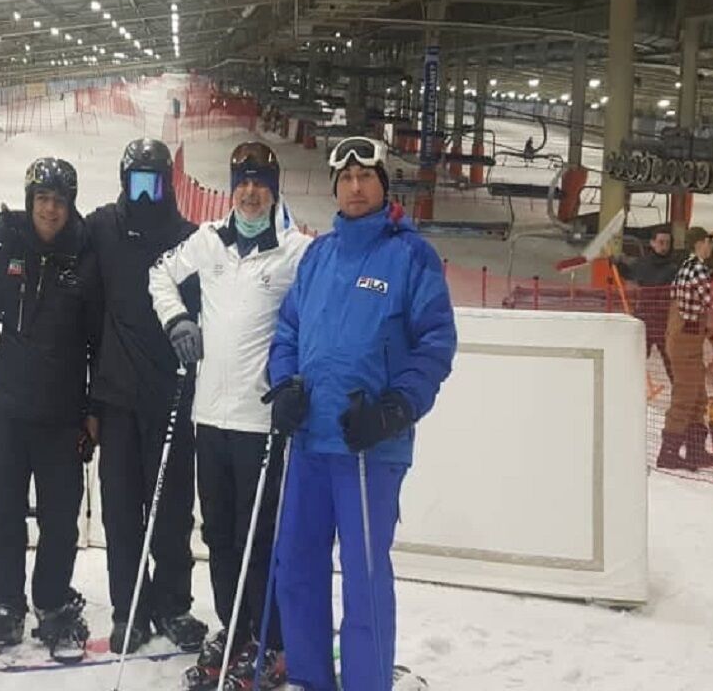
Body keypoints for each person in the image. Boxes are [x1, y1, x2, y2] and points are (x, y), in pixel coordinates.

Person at [265, 137, 456, 691]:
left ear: (382, 185)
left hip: (369, 445)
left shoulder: (409, 254)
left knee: (364, 578)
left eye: (364, 176)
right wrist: (284, 387)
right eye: (344, 178)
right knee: (296, 566)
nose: (354, 186)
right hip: (310, 441)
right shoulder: (319, 255)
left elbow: (435, 343)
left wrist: (396, 408)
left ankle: (367, 683)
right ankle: (309, 677)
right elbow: (289, 332)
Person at [148, 142, 310, 689]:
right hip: (208, 418)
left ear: (274, 188)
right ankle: (235, 629)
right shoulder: (209, 241)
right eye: (242, 180)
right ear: (232, 185)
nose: (250, 191)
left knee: (257, 538)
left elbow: (317, 313)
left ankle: (271, 640)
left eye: (260, 181)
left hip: (261, 423)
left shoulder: (295, 253)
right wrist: (177, 323)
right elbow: (159, 277)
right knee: (217, 533)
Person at [0, 158, 103, 663]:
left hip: (62, 415)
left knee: (60, 521)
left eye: (58, 201)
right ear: (30, 200)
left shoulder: (84, 258)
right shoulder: (10, 249)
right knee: (7, 516)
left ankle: (53, 602)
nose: (49, 209)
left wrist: (92, 410)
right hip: (10, 409)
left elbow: (98, 342)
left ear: (69, 204)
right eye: (42, 199)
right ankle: (6, 602)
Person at [86, 138, 208, 653]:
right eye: (137, 180)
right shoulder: (102, 229)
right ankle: (129, 608)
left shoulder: (189, 239)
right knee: (121, 509)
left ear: (169, 184)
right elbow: (53, 241)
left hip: (172, 397)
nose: (145, 192)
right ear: (122, 179)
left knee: (174, 509)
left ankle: (173, 604)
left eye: (154, 181)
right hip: (115, 398)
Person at [659, 226, 713, 471]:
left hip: (689, 339)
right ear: (699, 243)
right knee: (686, 396)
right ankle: (668, 453)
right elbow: (711, 300)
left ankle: (696, 452)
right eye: (709, 241)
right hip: (685, 340)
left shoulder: (689, 267)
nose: (711, 247)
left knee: (698, 397)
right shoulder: (696, 268)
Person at [616, 225, 680, 381]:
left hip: (664, 321)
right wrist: (617, 264)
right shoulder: (643, 264)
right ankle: (628, 388)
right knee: (636, 358)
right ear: (652, 243)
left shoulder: (674, 267)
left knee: (671, 362)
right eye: (661, 242)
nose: (664, 246)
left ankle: (678, 397)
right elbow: (629, 272)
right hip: (644, 318)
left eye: (667, 242)